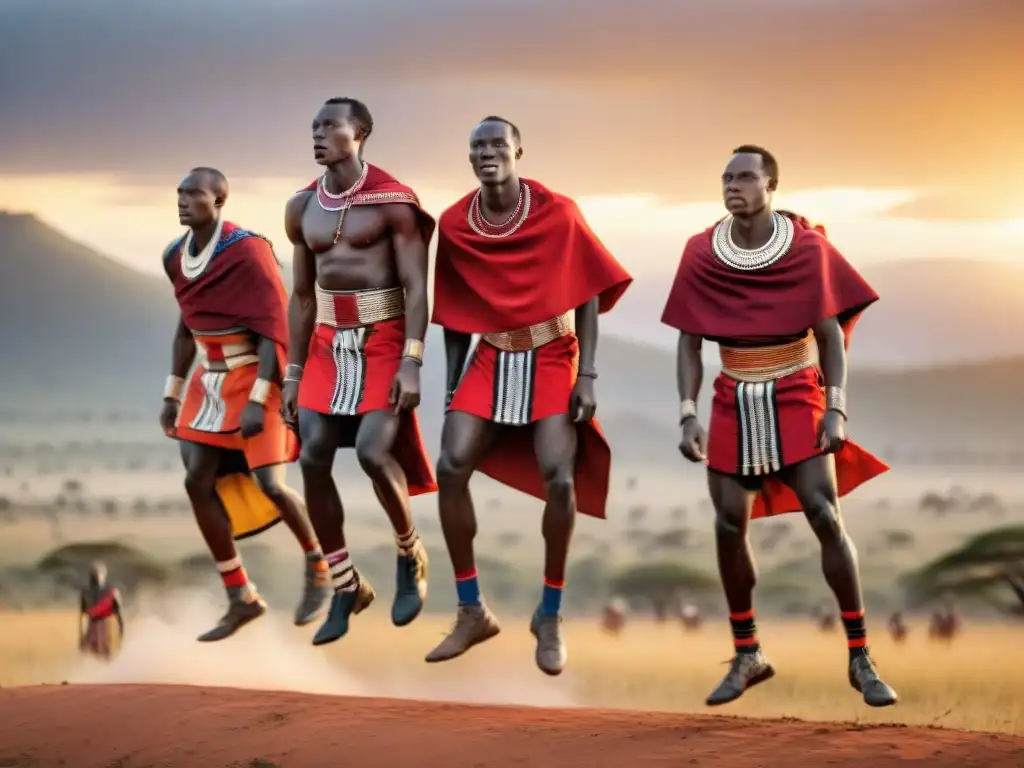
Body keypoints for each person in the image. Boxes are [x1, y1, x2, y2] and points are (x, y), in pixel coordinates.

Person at [661, 145, 897, 708]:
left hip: (796, 388)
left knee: (824, 511)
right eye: (726, 177)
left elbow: (830, 334)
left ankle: (861, 657)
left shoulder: (806, 248)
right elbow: (689, 341)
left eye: (746, 176)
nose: (733, 185)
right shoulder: (699, 251)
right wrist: (687, 412)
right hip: (729, 395)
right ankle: (748, 653)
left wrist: (836, 408)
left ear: (772, 187)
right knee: (726, 525)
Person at [424, 116, 632, 675]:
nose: (486, 152)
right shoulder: (455, 223)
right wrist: (450, 388)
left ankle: (551, 612)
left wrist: (587, 373)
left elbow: (587, 292)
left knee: (559, 477)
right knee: (450, 466)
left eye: (497, 143)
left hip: (552, 352)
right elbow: (455, 312)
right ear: (469, 157)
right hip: (489, 354)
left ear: (518, 150)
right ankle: (471, 610)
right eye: (477, 145)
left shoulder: (558, 213)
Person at [282, 97, 437, 646]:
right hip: (325, 342)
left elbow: (418, 287)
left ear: (361, 133)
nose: (318, 134)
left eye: (330, 125)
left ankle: (409, 551)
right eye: (314, 125)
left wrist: (412, 361)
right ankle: (346, 585)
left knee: (374, 452)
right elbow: (302, 296)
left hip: (384, 338)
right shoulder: (301, 206)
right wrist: (293, 374)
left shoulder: (395, 203)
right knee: (312, 454)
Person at [161, 167, 330, 642]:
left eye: (193, 193)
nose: (182, 199)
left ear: (219, 201)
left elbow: (275, 328)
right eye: (179, 192)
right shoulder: (175, 256)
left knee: (271, 483)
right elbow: (185, 328)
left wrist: (259, 399)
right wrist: (172, 393)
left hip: (260, 377)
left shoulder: (248, 251)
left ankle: (320, 565)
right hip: (207, 383)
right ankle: (241, 596)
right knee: (197, 479)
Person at [78, 562, 123, 659]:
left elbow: (119, 615)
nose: (95, 578)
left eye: (96, 575)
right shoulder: (86, 592)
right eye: (93, 575)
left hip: (106, 628)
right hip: (94, 629)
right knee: (94, 656)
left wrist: (120, 634)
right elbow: (82, 615)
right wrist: (81, 636)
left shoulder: (112, 592)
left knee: (106, 656)